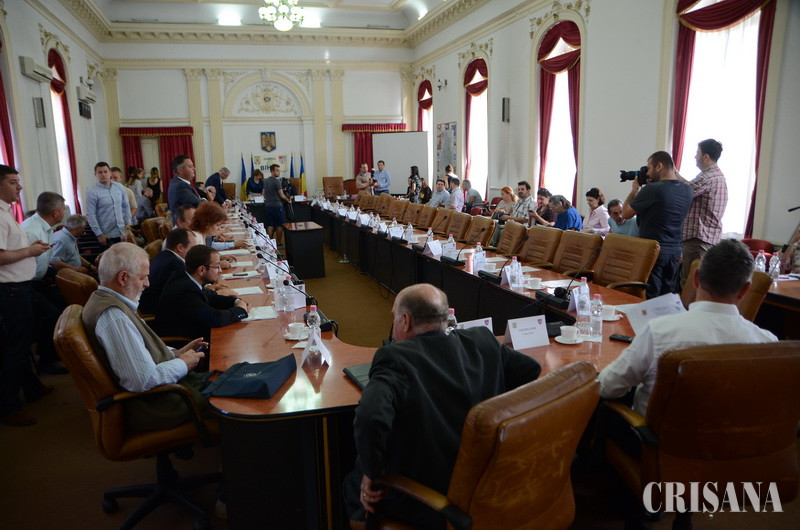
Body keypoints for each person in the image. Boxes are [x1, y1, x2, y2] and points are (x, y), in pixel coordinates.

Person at [344, 284, 541, 527]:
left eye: (394, 317)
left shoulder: (394, 358)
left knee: (353, 483)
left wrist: (371, 472)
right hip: (492, 479)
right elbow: (531, 370)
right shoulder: (483, 339)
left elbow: (370, 418)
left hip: (432, 496)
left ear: (405, 320)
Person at [598, 239, 777, 416]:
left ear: (696, 278)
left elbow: (607, 387)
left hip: (654, 434)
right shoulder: (768, 344)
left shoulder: (659, 331)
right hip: (732, 434)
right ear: (745, 289)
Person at [81, 242, 210, 432]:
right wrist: (183, 363)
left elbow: (139, 352)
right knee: (231, 398)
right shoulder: (114, 317)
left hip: (167, 392)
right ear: (123, 277)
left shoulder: (108, 300)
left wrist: (176, 353)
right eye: (142, 277)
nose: (147, 283)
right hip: (159, 405)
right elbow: (143, 380)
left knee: (227, 378)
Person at [0, 165, 53, 426]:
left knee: (19, 345)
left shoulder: (6, 211)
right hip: (10, 290)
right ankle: (9, 407)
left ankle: (31, 387)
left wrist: (30, 248)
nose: (19, 187)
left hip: (19, 288)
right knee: (16, 348)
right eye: (13, 182)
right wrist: (30, 252)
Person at [622, 151, 692, 298]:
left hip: (653, 251)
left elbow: (625, 214)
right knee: (668, 297)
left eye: (649, 168)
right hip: (675, 251)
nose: (647, 173)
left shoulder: (652, 189)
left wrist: (634, 191)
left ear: (659, 166)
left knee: (650, 297)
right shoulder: (688, 190)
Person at [155, 244, 250, 343]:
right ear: (201, 270)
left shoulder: (186, 277)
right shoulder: (185, 291)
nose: (220, 270)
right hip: (185, 343)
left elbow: (210, 297)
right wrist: (240, 310)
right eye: (217, 266)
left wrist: (236, 301)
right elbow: (214, 319)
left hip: (194, 332)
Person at [21, 191, 71, 375]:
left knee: (65, 304)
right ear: (56, 213)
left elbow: (42, 259)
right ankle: (46, 360)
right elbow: (21, 262)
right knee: (51, 314)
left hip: (38, 279)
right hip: (24, 283)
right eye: (63, 209)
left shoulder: (46, 227)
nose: (64, 212)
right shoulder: (31, 231)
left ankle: (56, 349)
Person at [677, 139, 727, 288]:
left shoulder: (707, 177)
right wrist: (676, 174)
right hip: (707, 239)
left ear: (706, 157)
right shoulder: (716, 176)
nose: (695, 156)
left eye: (697, 153)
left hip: (698, 240)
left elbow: (683, 192)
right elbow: (690, 186)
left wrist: (669, 177)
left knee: (690, 284)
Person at [139, 228, 196, 314]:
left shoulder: (165, 255)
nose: (195, 251)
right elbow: (187, 291)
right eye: (193, 248)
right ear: (180, 248)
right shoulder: (174, 264)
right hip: (155, 311)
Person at [85, 161, 131, 247]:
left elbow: (126, 205)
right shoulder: (91, 192)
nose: (103, 174)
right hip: (106, 235)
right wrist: (99, 234)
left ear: (110, 173)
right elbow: (90, 214)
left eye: (105, 172)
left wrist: (128, 223)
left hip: (122, 231)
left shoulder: (119, 187)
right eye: (100, 172)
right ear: (95, 174)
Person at [167, 155, 205, 224]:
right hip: (187, 228)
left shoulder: (183, 183)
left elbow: (204, 197)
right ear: (180, 170)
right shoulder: (180, 186)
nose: (194, 169)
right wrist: (205, 200)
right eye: (190, 166)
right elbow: (200, 205)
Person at [263, 163, 290, 242]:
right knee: (280, 225)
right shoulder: (276, 181)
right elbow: (282, 195)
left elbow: (263, 194)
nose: (279, 172)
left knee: (270, 225)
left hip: (268, 206)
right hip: (277, 206)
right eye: (277, 171)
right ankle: (278, 243)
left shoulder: (266, 181)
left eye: (279, 170)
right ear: (272, 171)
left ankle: (269, 243)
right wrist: (288, 200)